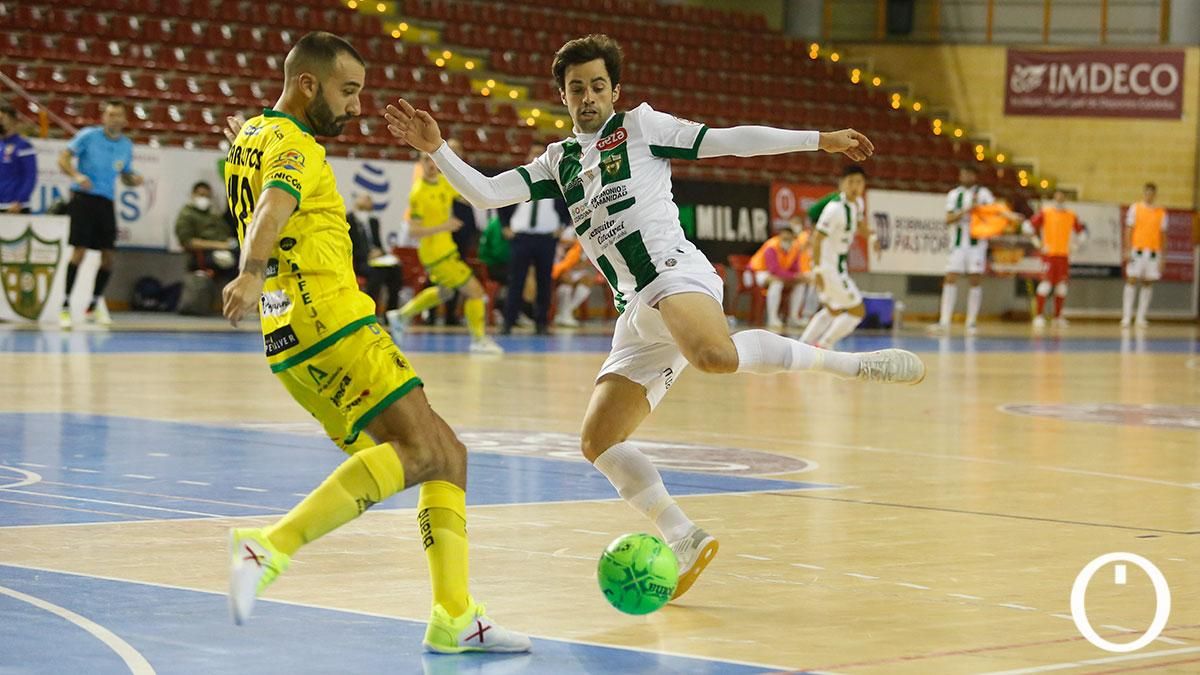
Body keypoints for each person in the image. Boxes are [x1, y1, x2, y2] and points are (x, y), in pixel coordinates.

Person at [384, 33, 925, 601]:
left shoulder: (642, 127)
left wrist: (820, 141)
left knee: (714, 356)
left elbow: (730, 142)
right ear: (563, 99)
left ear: (615, 90)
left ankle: (850, 365)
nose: (588, 96)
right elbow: (489, 195)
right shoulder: (559, 160)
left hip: (673, 272)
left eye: (597, 85)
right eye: (576, 89)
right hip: (634, 309)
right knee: (598, 441)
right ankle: (683, 536)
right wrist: (437, 150)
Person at [218, 31, 527, 654]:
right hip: (331, 319)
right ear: (308, 84)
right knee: (425, 452)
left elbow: (259, 178)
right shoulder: (295, 146)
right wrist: (250, 271)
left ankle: (454, 615)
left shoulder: (251, 135)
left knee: (447, 455)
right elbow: (273, 206)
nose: (357, 106)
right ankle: (270, 547)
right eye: (348, 90)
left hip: (286, 334)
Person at [384, 153, 503, 354]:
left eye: (433, 160)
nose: (431, 164)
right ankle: (478, 340)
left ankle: (401, 315)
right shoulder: (418, 193)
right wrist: (444, 226)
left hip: (447, 249)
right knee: (475, 291)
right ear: (420, 164)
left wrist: (487, 196)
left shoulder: (443, 183)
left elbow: (464, 196)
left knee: (445, 292)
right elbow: (413, 231)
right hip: (435, 253)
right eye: (426, 161)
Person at [57, 99, 144, 328]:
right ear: (103, 117)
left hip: (106, 201)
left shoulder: (126, 145)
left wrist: (133, 179)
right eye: (110, 114)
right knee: (79, 252)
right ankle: (64, 307)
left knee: (108, 257)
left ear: (125, 120)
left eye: (118, 115)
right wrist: (76, 176)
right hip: (83, 199)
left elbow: (125, 173)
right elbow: (63, 157)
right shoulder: (88, 136)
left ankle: (93, 306)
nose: (114, 119)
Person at [799, 166, 878, 348]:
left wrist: (872, 237)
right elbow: (817, 239)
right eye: (851, 182)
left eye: (859, 182)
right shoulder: (834, 209)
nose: (855, 187)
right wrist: (817, 270)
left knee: (832, 310)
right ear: (842, 184)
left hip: (838, 265)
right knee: (857, 311)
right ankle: (824, 345)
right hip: (828, 268)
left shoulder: (858, 204)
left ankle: (803, 345)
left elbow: (859, 224)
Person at [503, 147, 570, 334]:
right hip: (521, 237)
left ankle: (541, 323)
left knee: (544, 282)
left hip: (546, 238)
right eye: (533, 154)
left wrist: (563, 225)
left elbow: (569, 205)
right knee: (516, 280)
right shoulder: (519, 178)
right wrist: (504, 225)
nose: (536, 157)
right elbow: (503, 201)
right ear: (527, 157)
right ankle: (509, 321)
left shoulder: (557, 181)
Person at [929, 165, 993, 335]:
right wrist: (966, 211)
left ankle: (971, 322)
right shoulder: (954, 194)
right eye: (963, 173)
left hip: (977, 245)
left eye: (969, 173)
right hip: (957, 244)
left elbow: (992, 217)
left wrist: (978, 212)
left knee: (975, 279)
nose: (965, 176)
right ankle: (944, 321)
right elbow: (948, 218)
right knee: (950, 278)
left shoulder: (984, 194)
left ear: (975, 176)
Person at [1025, 190, 1086, 330]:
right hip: (1049, 255)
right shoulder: (1045, 212)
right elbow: (1027, 227)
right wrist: (1036, 242)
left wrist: (1075, 245)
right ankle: (1039, 316)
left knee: (1061, 288)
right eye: (1057, 195)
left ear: (1065, 198)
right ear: (1054, 197)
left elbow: (1082, 232)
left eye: (1062, 195)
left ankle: (1057, 317)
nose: (1059, 198)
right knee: (1045, 285)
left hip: (1063, 256)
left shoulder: (1071, 215)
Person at [347, 192, 403, 325]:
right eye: (364, 198)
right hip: (360, 261)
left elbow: (378, 243)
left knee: (396, 270)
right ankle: (371, 313)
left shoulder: (374, 221)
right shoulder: (348, 219)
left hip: (377, 260)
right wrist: (367, 255)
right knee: (378, 273)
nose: (367, 200)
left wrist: (381, 253)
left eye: (369, 199)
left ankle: (391, 313)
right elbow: (349, 246)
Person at [1121, 182, 1168, 329]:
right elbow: (1129, 230)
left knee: (1148, 282)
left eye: (1152, 193)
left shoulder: (1161, 212)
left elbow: (1163, 235)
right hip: (1137, 250)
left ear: (1155, 195)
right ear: (1144, 193)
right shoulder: (1135, 208)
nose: (1149, 195)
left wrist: (1163, 256)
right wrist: (1127, 250)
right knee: (1132, 280)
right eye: (1147, 192)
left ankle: (1141, 317)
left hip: (1153, 252)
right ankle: (1127, 317)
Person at [175, 181, 238, 280]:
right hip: (202, 255)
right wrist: (220, 246)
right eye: (201, 195)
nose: (204, 198)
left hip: (225, 249)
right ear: (193, 195)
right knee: (235, 263)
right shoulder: (186, 215)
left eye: (208, 196)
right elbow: (187, 242)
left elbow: (226, 232)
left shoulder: (213, 214)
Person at [749, 225, 805, 330]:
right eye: (784, 238)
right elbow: (773, 270)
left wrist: (798, 276)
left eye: (789, 239)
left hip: (780, 275)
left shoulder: (795, 248)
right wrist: (793, 276)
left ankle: (793, 317)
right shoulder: (772, 246)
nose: (786, 241)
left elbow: (795, 269)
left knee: (800, 284)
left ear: (793, 238)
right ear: (780, 236)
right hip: (759, 272)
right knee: (776, 283)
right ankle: (772, 318)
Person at [552, 231, 594, 327]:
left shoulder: (580, 231)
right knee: (566, 282)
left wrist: (576, 266)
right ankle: (563, 314)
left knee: (587, 279)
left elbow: (583, 261)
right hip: (558, 268)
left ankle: (565, 313)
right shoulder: (561, 232)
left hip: (574, 269)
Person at [0, 103, 37, 214]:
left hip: (15, 206)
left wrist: (19, 200)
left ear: (13, 121)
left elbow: (30, 175)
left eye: (2, 118)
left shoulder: (23, 145)